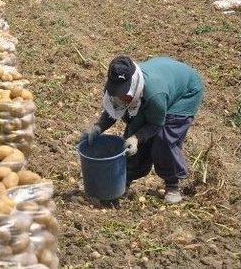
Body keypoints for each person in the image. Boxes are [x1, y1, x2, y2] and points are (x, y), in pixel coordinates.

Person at [82, 56, 204, 204]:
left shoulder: (154, 95)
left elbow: (155, 124)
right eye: (117, 91)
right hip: (163, 81)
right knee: (133, 134)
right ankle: (123, 180)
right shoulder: (113, 88)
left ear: (133, 82)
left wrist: (136, 138)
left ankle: (172, 185)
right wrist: (98, 127)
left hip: (185, 93)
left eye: (123, 91)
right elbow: (113, 110)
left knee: (163, 139)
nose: (120, 95)